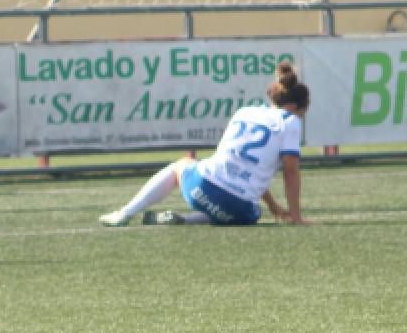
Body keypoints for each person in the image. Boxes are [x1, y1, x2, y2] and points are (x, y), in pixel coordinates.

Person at [99, 61, 311, 228]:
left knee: (183, 164)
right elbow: (290, 172)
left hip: (200, 190)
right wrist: (295, 216)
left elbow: (236, 163)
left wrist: (274, 205)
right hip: (240, 211)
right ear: (294, 106)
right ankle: (188, 219)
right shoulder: (290, 121)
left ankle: (125, 213)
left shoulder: (245, 111)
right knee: (239, 210)